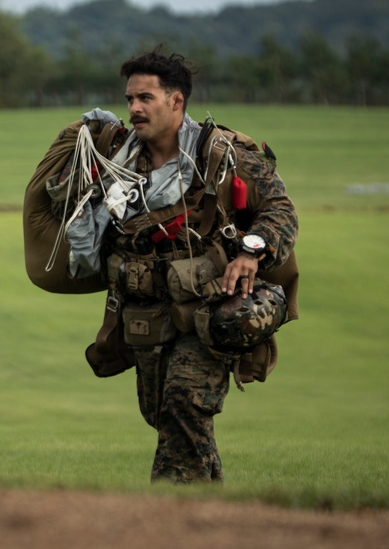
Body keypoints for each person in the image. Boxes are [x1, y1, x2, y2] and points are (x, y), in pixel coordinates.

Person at [63, 47, 298, 483]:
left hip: (207, 313)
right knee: (168, 419)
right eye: (130, 98)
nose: (133, 108)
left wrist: (252, 250)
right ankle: (207, 515)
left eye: (145, 98)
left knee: (183, 402)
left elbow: (281, 210)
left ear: (176, 101)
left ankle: (169, 517)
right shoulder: (114, 155)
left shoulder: (220, 153)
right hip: (144, 316)